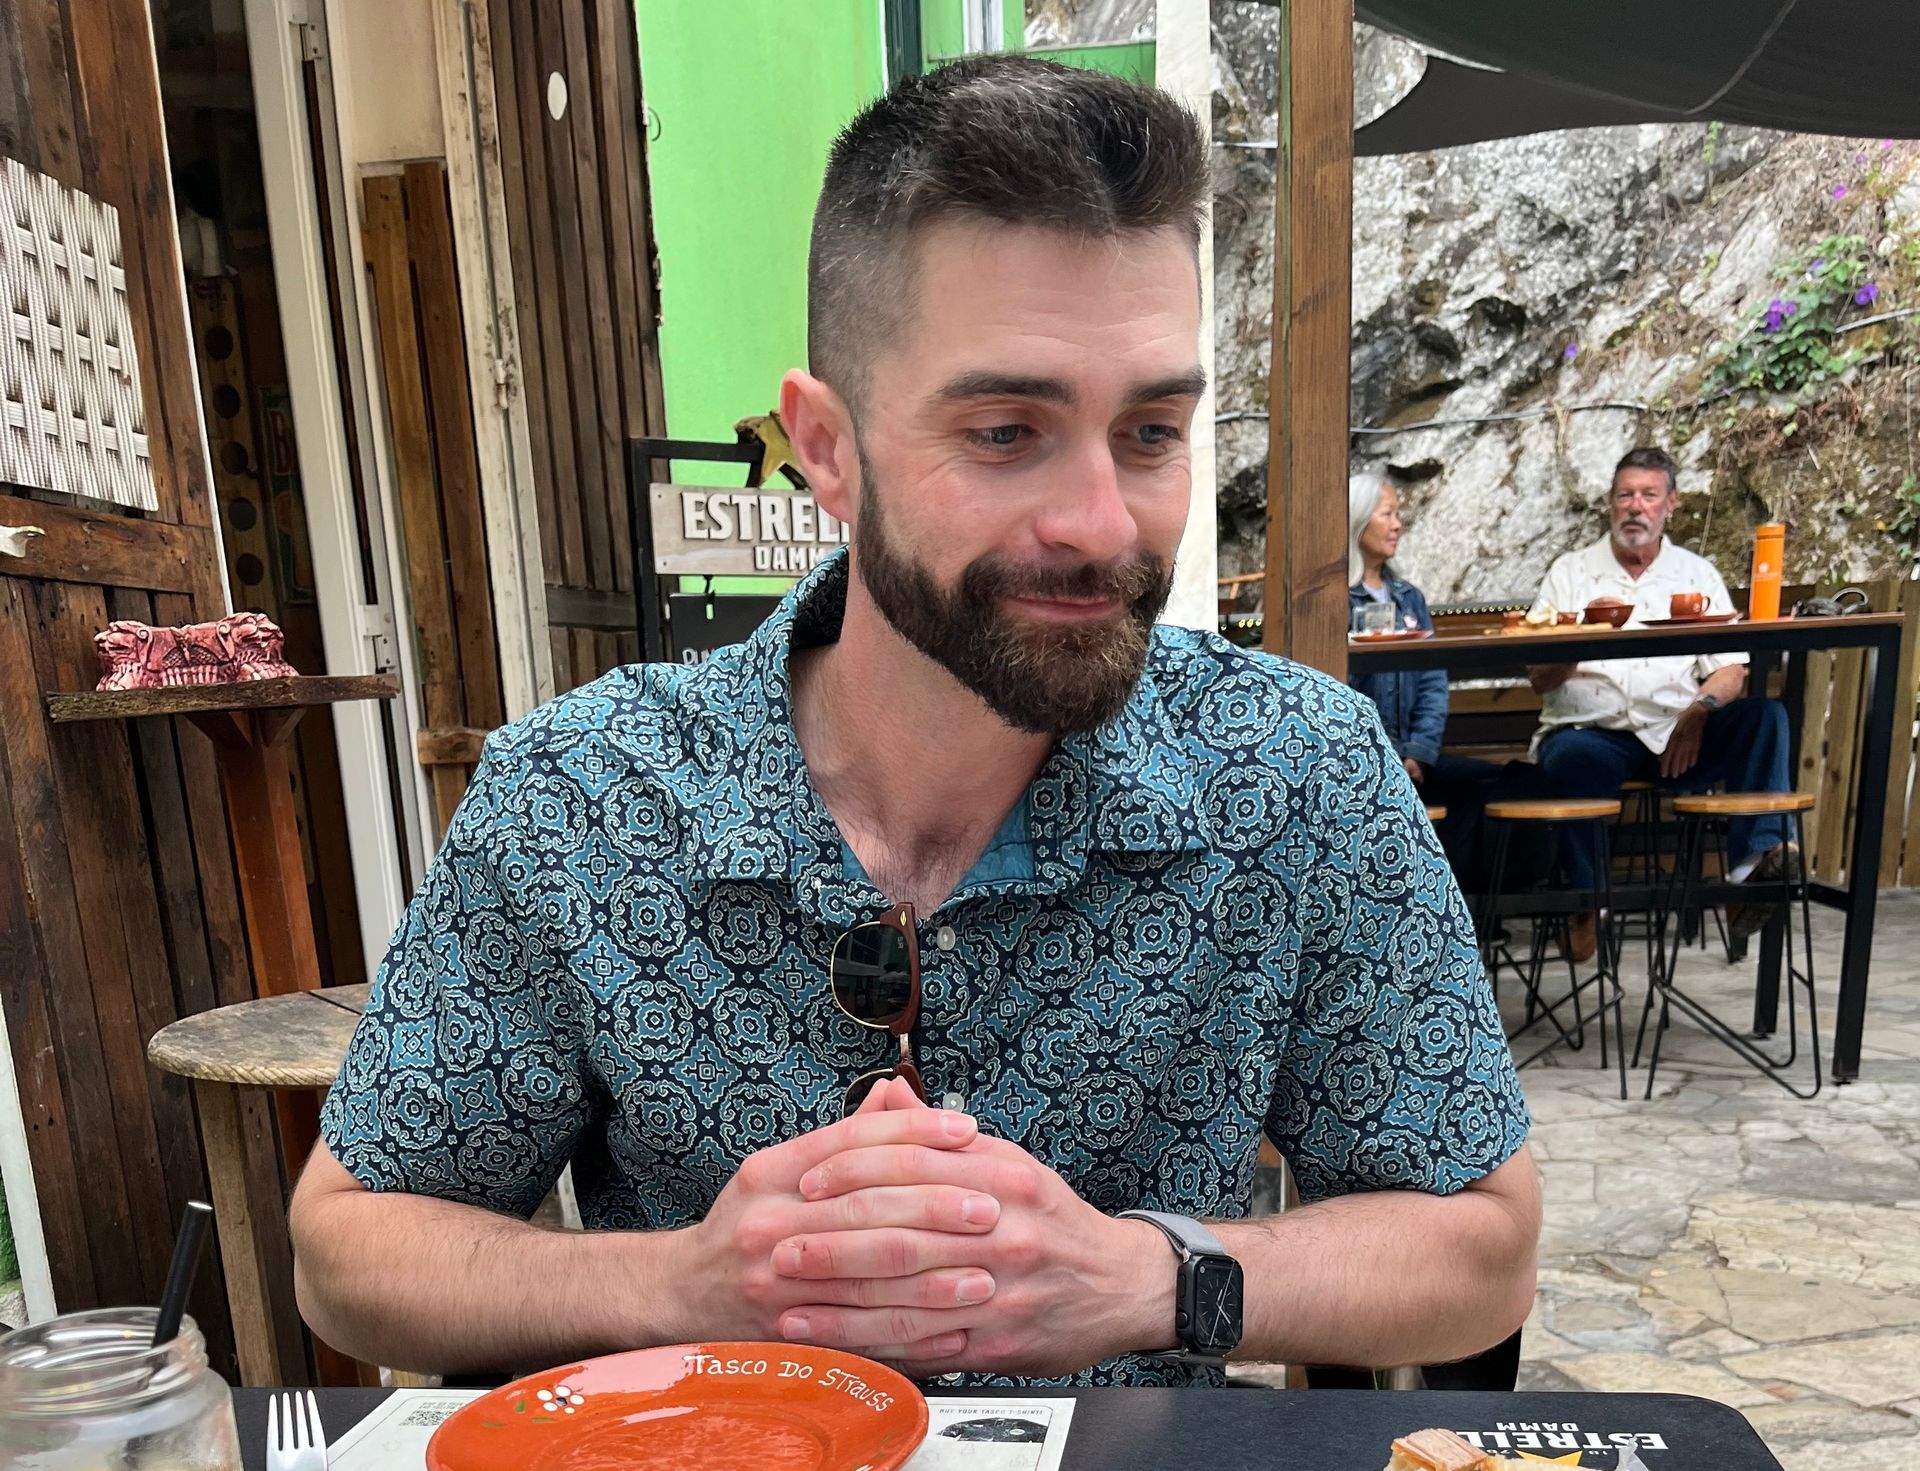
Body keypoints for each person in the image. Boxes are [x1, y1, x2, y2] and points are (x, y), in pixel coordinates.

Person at [292, 56, 1537, 1389]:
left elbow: (1481, 1247)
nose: (1104, 525)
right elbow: (348, 1251)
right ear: (827, 448)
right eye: (1006, 432)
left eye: (1152, 430)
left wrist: (1151, 1280)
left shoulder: (1296, 775)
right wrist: (687, 1286)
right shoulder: (583, 795)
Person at [1527, 446, 1791, 955]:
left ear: (1670, 504)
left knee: (1766, 717)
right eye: (1625, 495)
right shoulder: (1571, 572)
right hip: (1597, 736)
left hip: (1678, 735)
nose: (1635, 507)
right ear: (1609, 503)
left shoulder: (1696, 573)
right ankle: (1588, 899)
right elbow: (1540, 678)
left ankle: (1748, 873)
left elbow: (1731, 669)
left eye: (1649, 496)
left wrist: (1700, 712)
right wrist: (1580, 635)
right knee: (1568, 755)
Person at [1347, 472, 1529, 891]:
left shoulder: (1409, 597)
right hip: (1364, 761)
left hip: (1416, 756)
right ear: (1357, 519)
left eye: (1398, 515)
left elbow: (1432, 681)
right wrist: (1390, 755)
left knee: (1491, 783)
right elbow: (1340, 688)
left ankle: (1470, 910)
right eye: (1388, 514)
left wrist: (1419, 752)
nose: (1397, 525)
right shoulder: (1336, 598)